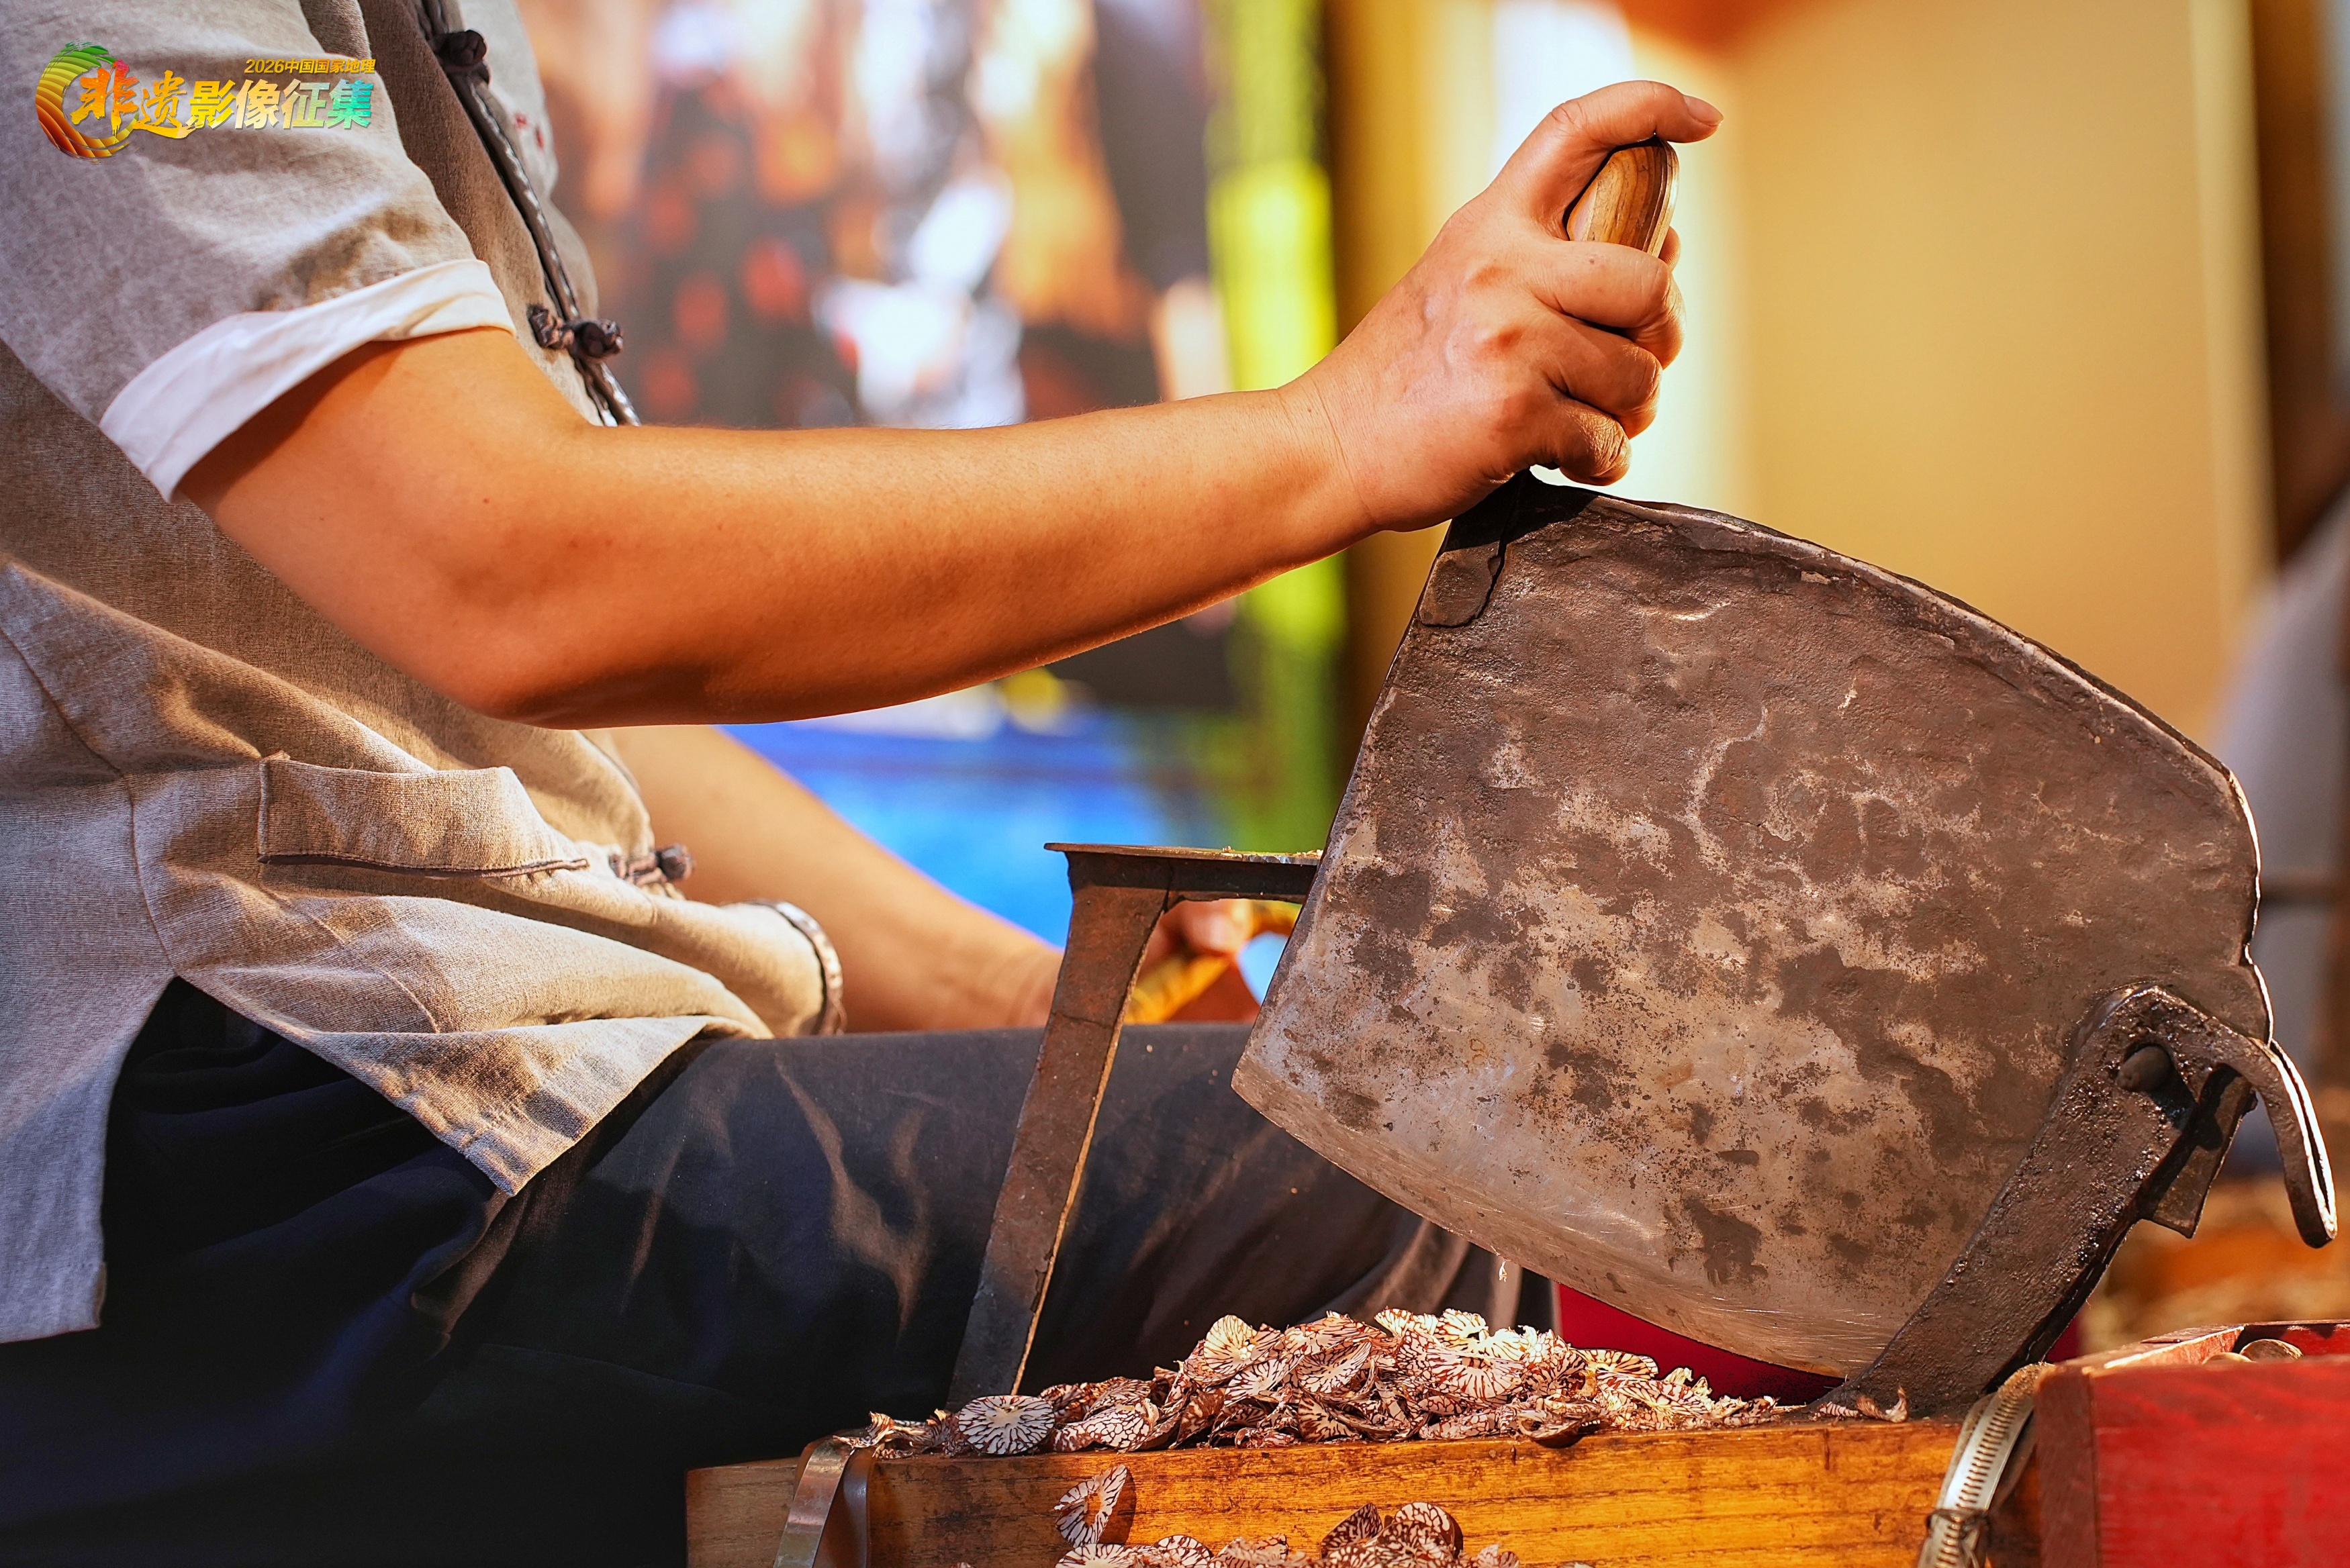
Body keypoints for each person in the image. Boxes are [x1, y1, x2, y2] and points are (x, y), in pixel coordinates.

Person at [0, 3, 1715, 1562]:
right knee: (1402, 1205)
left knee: (1380, 1164)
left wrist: (1043, 1001)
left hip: (422, 1089)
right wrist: (1349, 428)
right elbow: (511, 573)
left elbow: (547, 717)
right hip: (259, 1136)